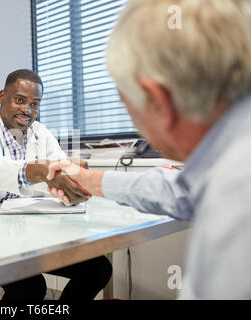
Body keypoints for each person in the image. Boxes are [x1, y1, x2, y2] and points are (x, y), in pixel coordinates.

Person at [46, 0, 251, 299]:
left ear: (158, 101)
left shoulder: (236, 197)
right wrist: (87, 178)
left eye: (127, 105)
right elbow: (179, 189)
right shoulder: (231, 157)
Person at [0, 69, 112, 300]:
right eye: (20, 100)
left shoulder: (41, 133)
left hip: (33, 233)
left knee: (98, 269)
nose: (27, 111)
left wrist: (70, 178)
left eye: (35, 104)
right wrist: (38, 171)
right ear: (2, 96)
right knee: (30, 288)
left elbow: (58, 170)